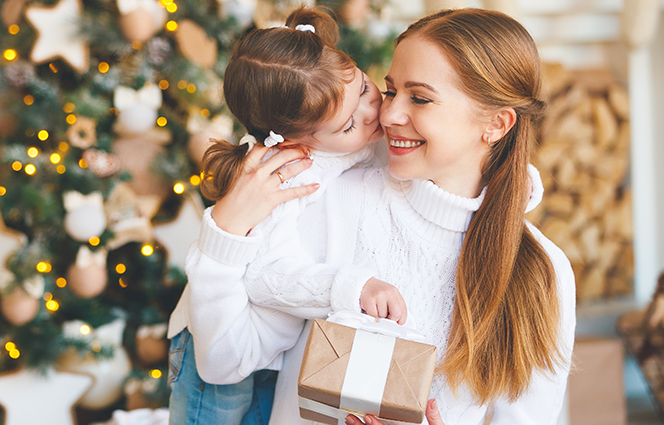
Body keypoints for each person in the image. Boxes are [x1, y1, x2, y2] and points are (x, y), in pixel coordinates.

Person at [184, 7, 576, 425]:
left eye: (420, 98)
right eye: (389, 91)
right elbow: (225, 361)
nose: (387, 116)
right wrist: (224, 234)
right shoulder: (324, 197)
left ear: (496, 124)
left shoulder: (542, 271)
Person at [166, 7, 393, 425]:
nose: (371, 111)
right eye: (347, 126)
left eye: (363, 87)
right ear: (295, 142)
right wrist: (349, 287)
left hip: (273, 353)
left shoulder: (348, 136)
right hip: (221, 346)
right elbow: (271, 277)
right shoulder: (288, 174)